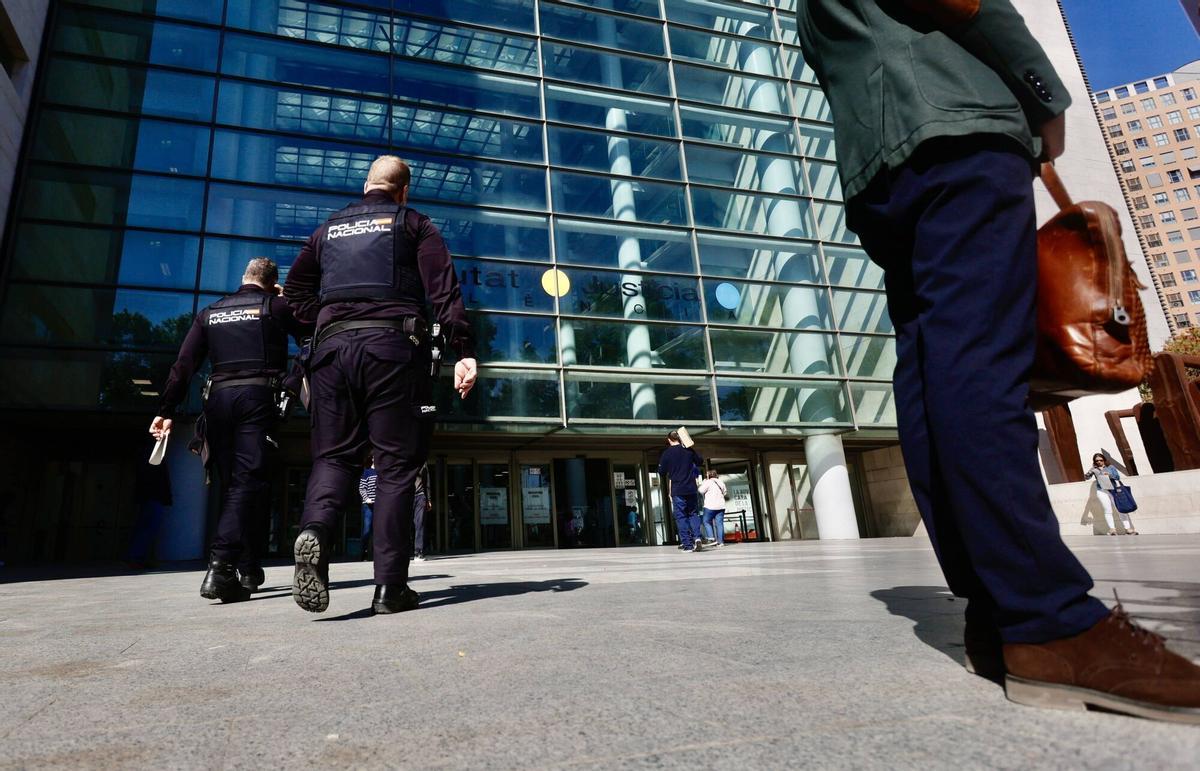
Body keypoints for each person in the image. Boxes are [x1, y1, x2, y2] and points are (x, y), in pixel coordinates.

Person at [796, 0, 1200, 722]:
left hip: (880, 162)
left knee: (932, 362)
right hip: (957, 127)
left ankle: (995, 608)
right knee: (980, 362)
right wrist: (1042, 93)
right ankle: (1050, 618)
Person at [283, 155, 476, 615]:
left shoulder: (326, 230)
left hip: (330, 353)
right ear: (403, 191)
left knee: (333, 457)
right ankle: (390, 587)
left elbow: (293, 293)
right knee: (394, 466)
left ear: (365, 184)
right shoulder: (414, 224)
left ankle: (318, 531)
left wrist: (327, 321)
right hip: (392, 349)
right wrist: (463, 349)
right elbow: (443, 290)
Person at [149, 258, 309, 602]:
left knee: (237, 485)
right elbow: (312, 340)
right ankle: (221, 567)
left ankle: (248, 568)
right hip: (258, 396)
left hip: (217, 401)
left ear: (244, 278)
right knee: (249, 481)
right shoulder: (275, 306)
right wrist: (293, 384)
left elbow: (184, 365)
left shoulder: (211, 312)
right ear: (271, 282)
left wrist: (165, 410)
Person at [657, 431, 704, 553]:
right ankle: (697, 538)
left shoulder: (667, 453)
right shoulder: (688, 450)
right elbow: (700, 461)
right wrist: (691, 448)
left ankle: (687, 545)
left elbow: (661, 472)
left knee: (681, 516)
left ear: (669, 440)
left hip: (678, 489)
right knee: (693, 513)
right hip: (691, 488)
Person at [1084, 453, 1137, 536]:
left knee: (1120, 509)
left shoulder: (1111, 467)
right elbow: (1086, 478)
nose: (1099, 462)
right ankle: (1112, 529)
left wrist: (1110, 475)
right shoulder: (1094, 469)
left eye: (1101, 460)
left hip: (1113, 490)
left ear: (1104, 460)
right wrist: (1090, 471)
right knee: (1107, 510)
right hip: (1101, 491)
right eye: (1096, 460)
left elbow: (1117, 477)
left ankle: (1128, 529)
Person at [698, 470, 727, 548]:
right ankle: (721, 542)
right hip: (721, 506)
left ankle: (711, 539)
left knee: (706, 521)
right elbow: (724, 493)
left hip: (710, 506)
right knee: (719, 523)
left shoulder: (708, 482)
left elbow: (700, 490)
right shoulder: (721, 482)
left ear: (708, 476)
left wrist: (704, 482)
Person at [358, 454, 377, 560]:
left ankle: (376, 554)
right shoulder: (367, 472)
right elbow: (362, 488)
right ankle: (364, 552)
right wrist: (367, 498)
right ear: (373, 458)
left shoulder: (383, 473)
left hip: (380, 506)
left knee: (378, 531)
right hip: (368, 505)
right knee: (367, 530)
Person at [412, 463, 430, 561]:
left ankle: (418, 552)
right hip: (406, 496)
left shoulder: (423, 462)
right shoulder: (403, 457)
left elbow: (427, 482)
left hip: (420, 496)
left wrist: (428, 499)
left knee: (419, 524)